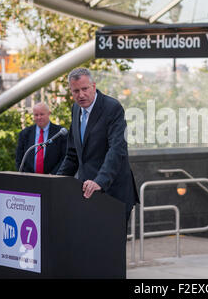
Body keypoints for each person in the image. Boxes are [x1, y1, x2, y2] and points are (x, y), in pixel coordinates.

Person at [57, 67, 138, 224]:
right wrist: (56, 180)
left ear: (93, 86)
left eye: (85, 89)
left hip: (113, 193)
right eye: (75, 91)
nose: (81, 95)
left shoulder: (112, 108)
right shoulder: (75, 109)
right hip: (86, 193)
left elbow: (117, 149)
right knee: (90, 246)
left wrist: (99, 181)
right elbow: (73, 154)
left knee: (110, 247)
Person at [16, 102, 67, 174]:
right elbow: (19, 159)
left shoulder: (59, 133)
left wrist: (54, 175)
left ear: (49, 113)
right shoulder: (25, 133)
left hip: (53, 179)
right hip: (29, 179)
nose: (39, 117)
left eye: (42, 114)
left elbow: (64, 158)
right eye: (36, 115)